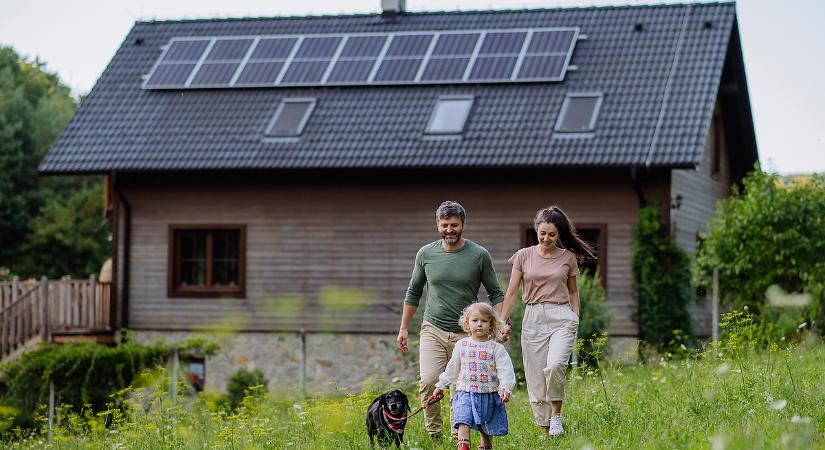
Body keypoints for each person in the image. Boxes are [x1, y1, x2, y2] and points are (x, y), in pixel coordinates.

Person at [397, 200, 505, 440]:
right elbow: (413, 292)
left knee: (462, 386)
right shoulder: (426, 254)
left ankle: (460, 434)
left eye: (454, 225)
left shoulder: (479, 255)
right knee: (428, 380)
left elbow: (496, 292)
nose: (449, 230)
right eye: (445, 225)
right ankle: (434, 433)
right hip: (432, 328)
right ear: (438, 225)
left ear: (463, 224)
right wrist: (404, 328)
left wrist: (501, 323)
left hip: (466, 333)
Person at [500, 205, 595, 437]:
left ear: (559, 234)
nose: (546, 238)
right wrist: (502, 320)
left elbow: (573, 292)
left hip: (562, 317)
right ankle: (543, 432)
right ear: (536, 230)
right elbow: (512, 292)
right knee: (535, 377)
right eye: (542, 233)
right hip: (533, 317)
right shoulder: (523, 256)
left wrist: (575, 315)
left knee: (554, 366)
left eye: (552, 234)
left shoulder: (568, 258)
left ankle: (556, 417)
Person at [431, 302, 515, 450]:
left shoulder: (496, 348)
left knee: (485, 425)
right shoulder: (462, 345)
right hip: (465, 392)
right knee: (463, 419)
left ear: (491, 324)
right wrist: (441, 385)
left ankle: (486, 446)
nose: (479, 324)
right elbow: (452, 368)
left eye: (484, 321)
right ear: (467, 323)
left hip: (488, 393)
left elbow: (505, 370)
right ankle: (463, 446)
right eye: (475, 320)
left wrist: (505, 388)